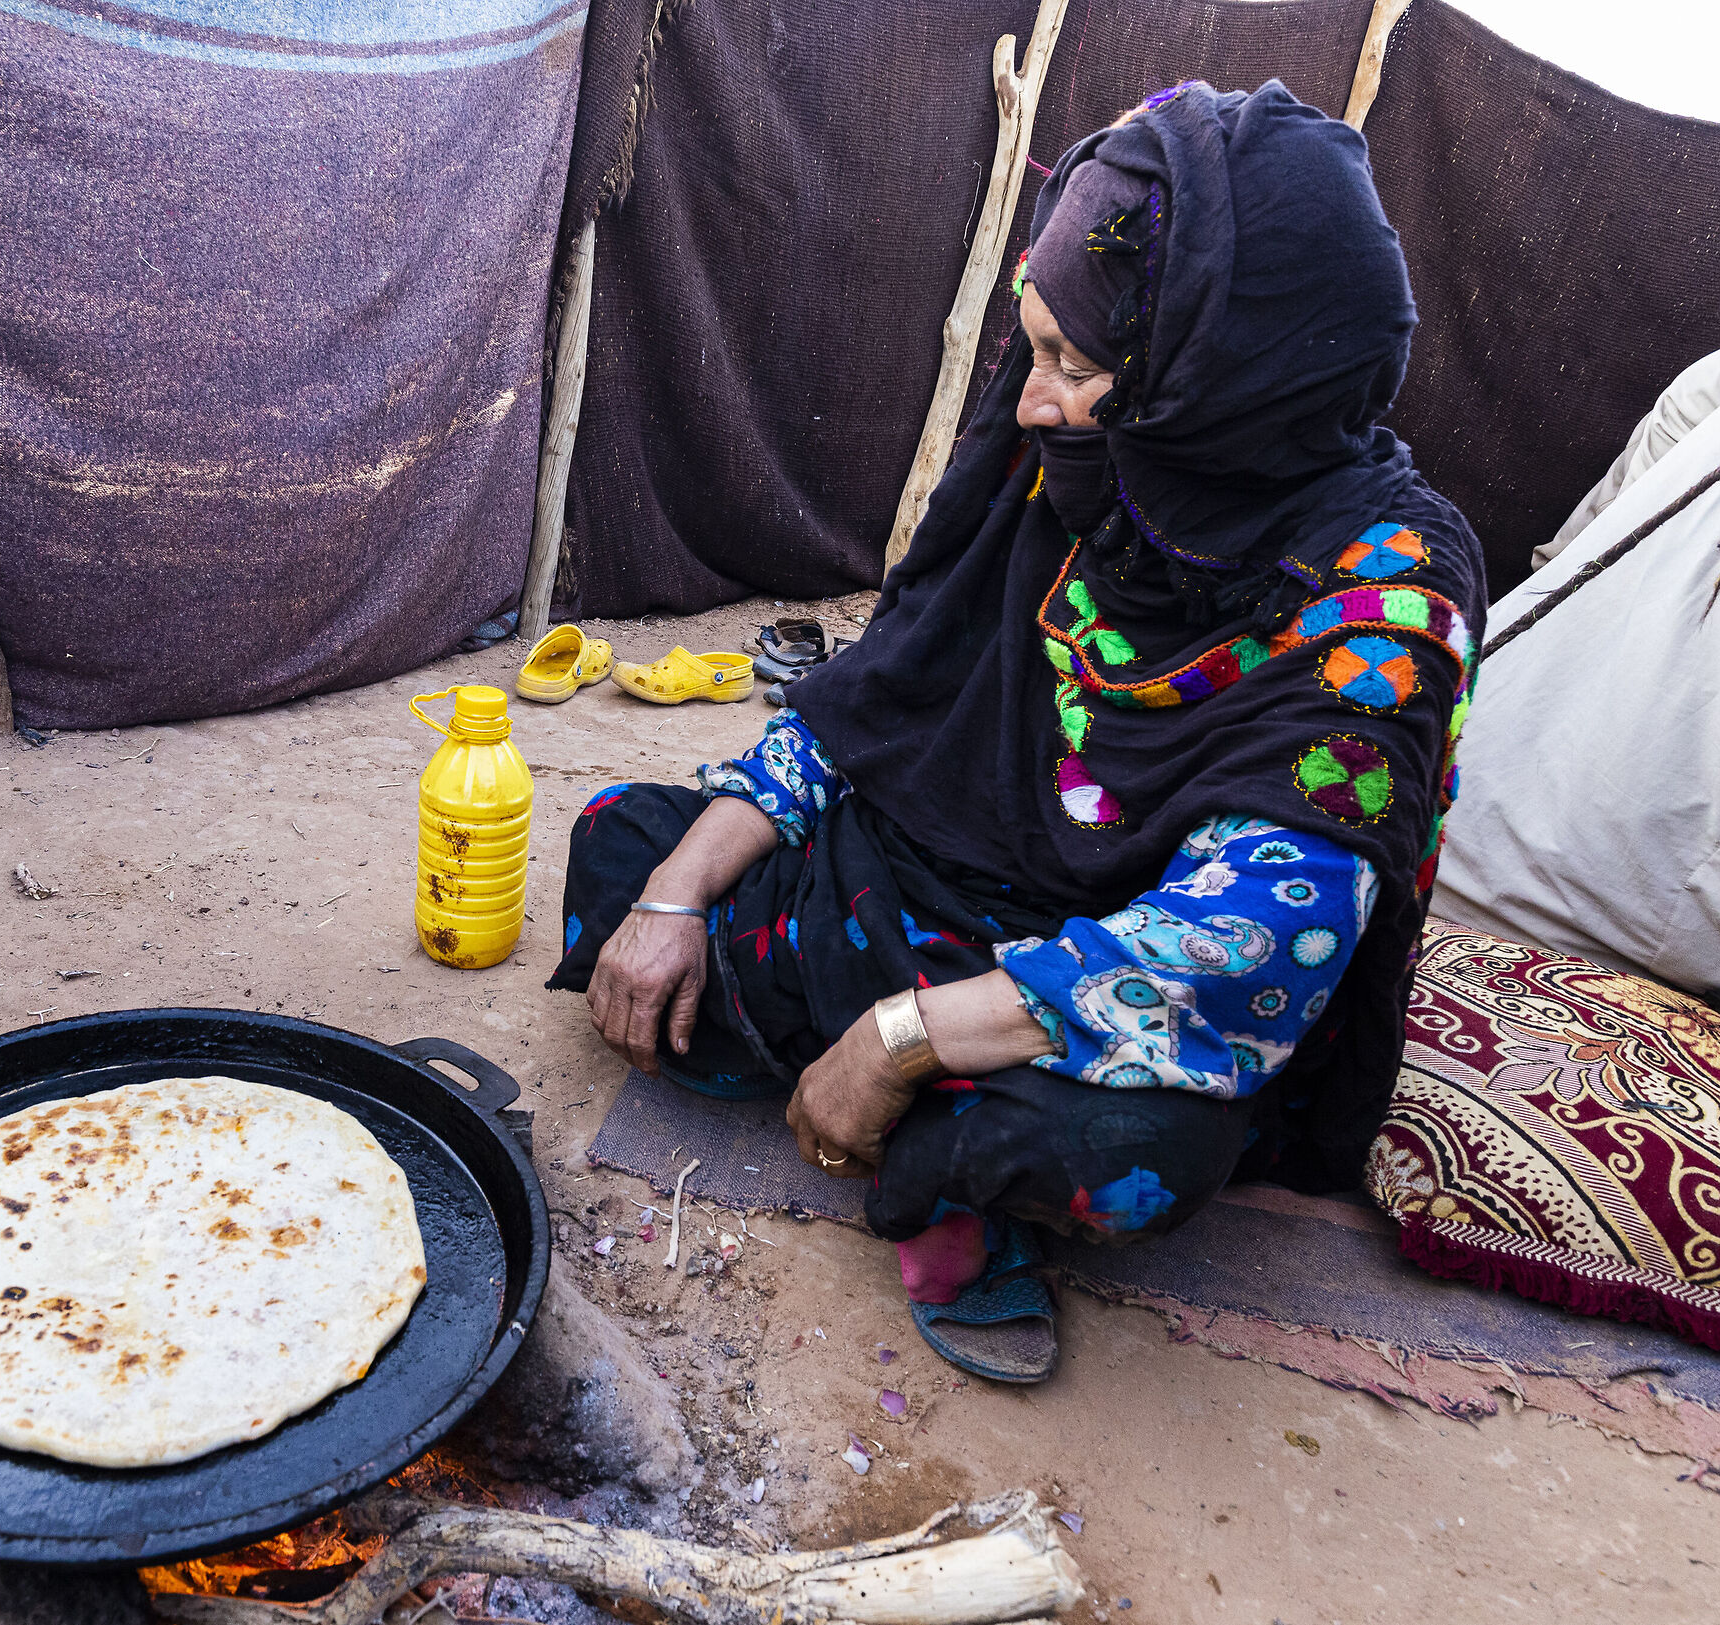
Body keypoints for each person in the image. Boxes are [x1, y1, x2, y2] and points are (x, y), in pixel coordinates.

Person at [548, 81, 1485, 1383]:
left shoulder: (1384, 599)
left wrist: (899, 1039)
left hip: (1105, 964)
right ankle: (923, 1125)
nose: (1032, 400)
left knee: (1138, 1153)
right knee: (621, 853)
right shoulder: (1064, 464)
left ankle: (927, 1129)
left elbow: (1247, 944)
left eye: (1076, 368)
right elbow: (876, 696)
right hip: (916, 887)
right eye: (1031, 346)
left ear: (1212, 384)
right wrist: (673, 895)